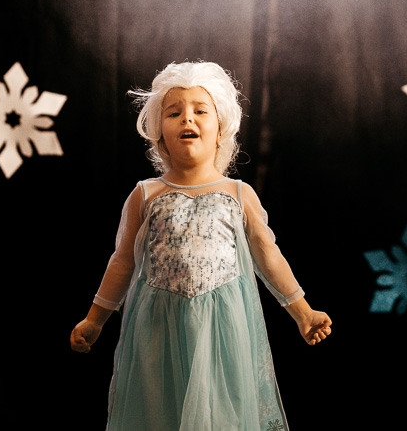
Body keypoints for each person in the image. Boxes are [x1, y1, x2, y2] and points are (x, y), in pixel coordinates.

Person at [70, 60, 332, 430]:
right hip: (159, 328)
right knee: (161, 414)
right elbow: (122, 262)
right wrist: (95, 319)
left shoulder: (238, 194)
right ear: (159, 133)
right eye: (174, 113)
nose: (187, 118)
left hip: (222, 329)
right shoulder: (146, 194)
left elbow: (268, 255)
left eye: (200, 110)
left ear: (220, 128)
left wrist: (303, 313)